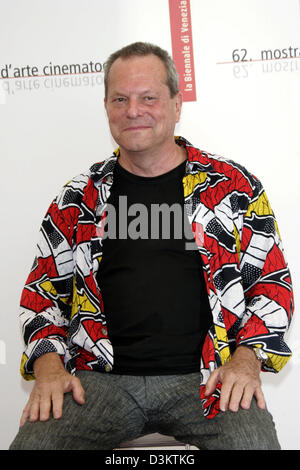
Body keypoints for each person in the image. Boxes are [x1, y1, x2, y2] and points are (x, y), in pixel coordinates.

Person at [10, 42, 294, 450]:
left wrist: (246, 361)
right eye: (120, 99)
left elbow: (272, 285)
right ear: (106, 106)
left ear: (176, 105)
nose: (133, 110)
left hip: (206, 379)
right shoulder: (78, 198)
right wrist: (49, 367)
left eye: (149, 98)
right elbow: (40, 294)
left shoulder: (232, 188)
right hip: (98, 382)